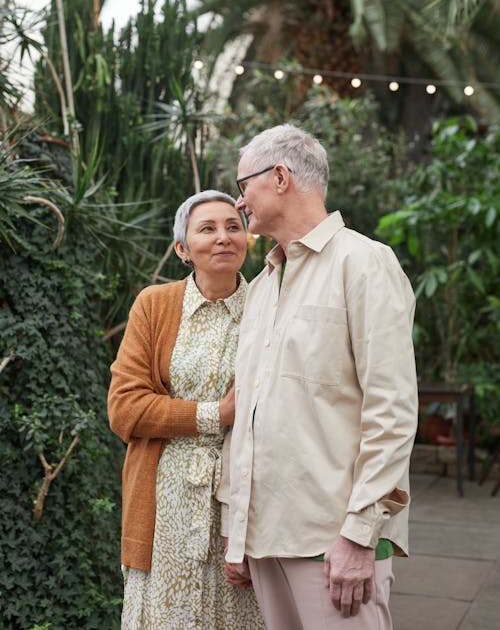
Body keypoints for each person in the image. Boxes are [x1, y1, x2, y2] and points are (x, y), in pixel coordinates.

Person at [222, 124, 418, 629]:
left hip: (335, 543)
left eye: (243, 186)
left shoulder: (365, 263)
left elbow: (391, 411)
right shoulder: (264, 283)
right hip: (266, 538)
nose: (240, 202)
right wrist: (238, 533)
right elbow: (251, 414)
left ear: (280, 177)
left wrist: (359, 535)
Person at [108, 190, 265, 630]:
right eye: (207, 229)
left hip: (246, 498)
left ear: (247, 238)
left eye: (233, 226)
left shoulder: (268, 305)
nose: (223, 238)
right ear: (182, 248)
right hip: (164, 500)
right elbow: (124, 409)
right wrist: (217, 414)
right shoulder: (154, 304)